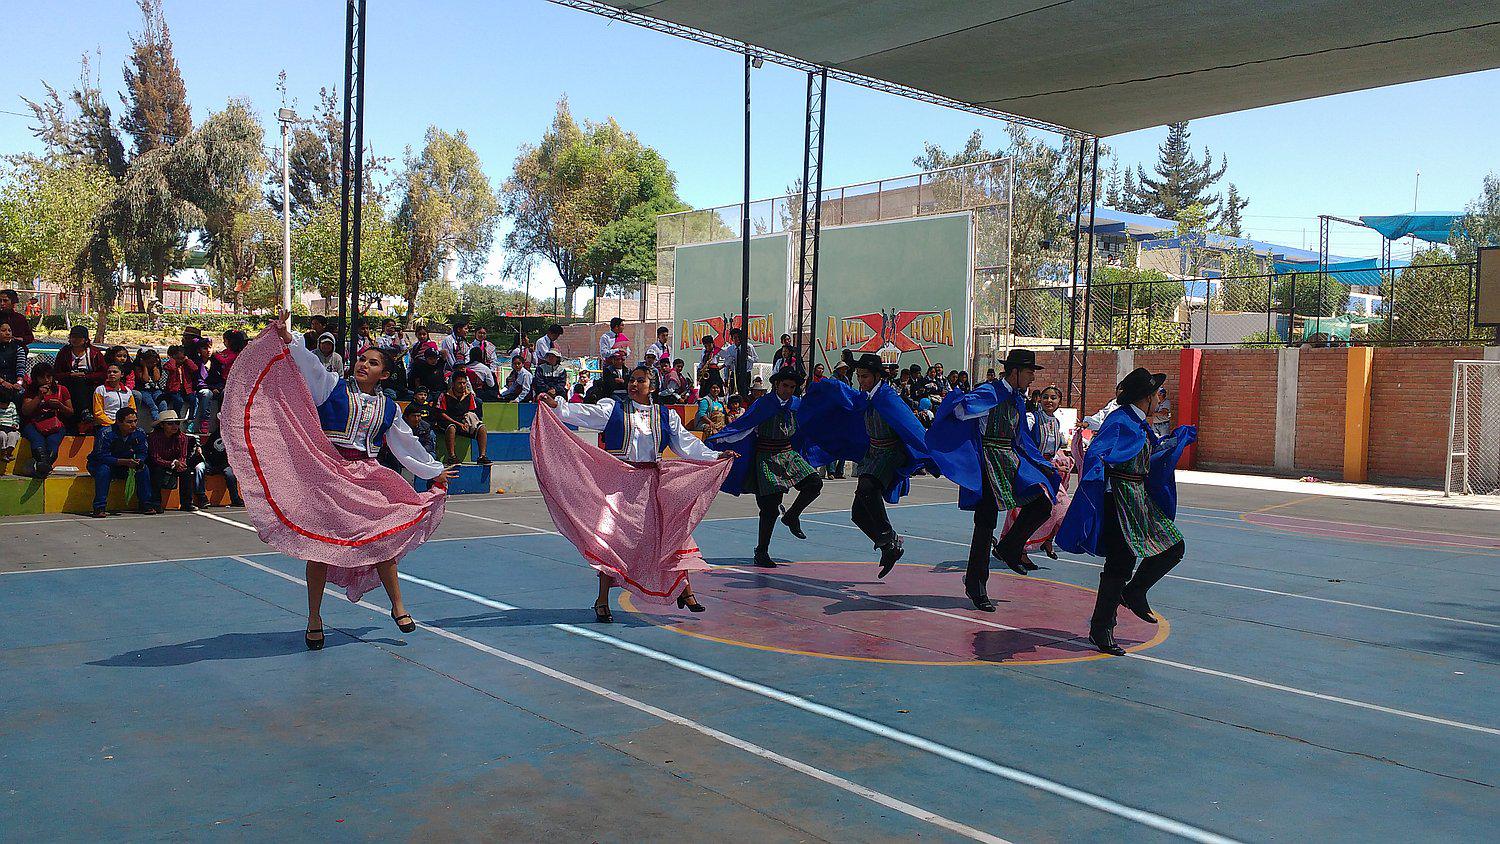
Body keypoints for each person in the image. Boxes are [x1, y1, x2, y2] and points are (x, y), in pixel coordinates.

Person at [222, 311, 457, 650]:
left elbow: (407, 444)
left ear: (385, 374)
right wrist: (289, 339)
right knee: (319, 549)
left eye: (373, 363)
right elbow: (310, 366)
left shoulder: (388, 407)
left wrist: (433, 470)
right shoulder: (332, 387)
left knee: (383, 540)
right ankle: (314, 617)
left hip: (367, 476)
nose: (364, 364)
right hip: (328, 477)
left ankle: (398, 605)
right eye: (362, 359)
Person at [534, 365, 734, 622]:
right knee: (612, 542)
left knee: (670, 536)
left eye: (641, 380)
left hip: (651, 485)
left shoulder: (665, 416)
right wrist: (556, 405)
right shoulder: (613, 409)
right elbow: (584, 413)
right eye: (632, 379)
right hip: (620, 484)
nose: (634, 384)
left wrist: (716, 456)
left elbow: (688, 445)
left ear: (653, 387)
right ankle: (602, 600)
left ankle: (685, 591)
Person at [1057, 368, 1196, 656]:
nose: (1160, 398)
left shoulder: (1138, 421)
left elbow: (1144, 456)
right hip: (1119, 500)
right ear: (1146, 397)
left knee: (1173, 547)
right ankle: (1102, 627)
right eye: (1157, 393)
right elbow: (1099, 453)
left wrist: (1173, 443)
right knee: (1120, 564)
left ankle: (1133, 593)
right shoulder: (1120, 421)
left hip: (1138, 498)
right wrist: (1098, 487)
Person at [925, 349, 1058, 612]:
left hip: (1010, 459)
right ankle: (976, 583)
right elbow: (960, 411)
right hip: (988, 459)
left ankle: (1009, 547)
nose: (1033, 377)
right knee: (985, 522)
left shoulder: (1018, 399)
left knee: (1042, 503)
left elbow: (1021, 437)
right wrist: (963, 406)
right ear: (1015, 372)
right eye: (1030, 372)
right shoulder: (990, 392)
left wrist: (1041, 464)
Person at [798, 350, 935, 576]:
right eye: (859, 376)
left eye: (865, 377)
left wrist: (932, 454)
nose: (861, 381)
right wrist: (825, 388)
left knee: (867, 488)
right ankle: (889, 546)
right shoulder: (867, 397)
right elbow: (847, 396)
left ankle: (887, 536)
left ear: (878, 376)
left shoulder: (888, 397)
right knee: (858, 513)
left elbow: (911, 425)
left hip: (890, 453)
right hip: (873, 454)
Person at [709, 368, 825, 567]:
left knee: (814, 483)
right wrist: (720, 441)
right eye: (785, 386)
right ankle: (761, 551)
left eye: (792, 387)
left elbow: (809, 423)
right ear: (776, 385)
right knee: (769, 507)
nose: (788, 390)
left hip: (788, 454)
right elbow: (743, 426)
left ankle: (791, 515)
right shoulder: (763, 404)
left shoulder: (797, 404)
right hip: (766, 457)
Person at [996, 384, 1073, 568]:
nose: (1049, 401)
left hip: (1048, 470)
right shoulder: (1032, 419)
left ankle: (1045, 539)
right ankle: (1019, 550)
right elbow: (1021, 438)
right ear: (1039, 399)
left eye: (1053, 398)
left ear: (1059, 402)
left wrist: (1060, 462)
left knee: (1062, 508)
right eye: (1045, 397)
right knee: (1028, 510)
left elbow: (1053, 450)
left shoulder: (1056, 422)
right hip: (1032, 470)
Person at [88, 406, 151, 518]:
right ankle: (99, 507)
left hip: (127, 465)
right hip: (103, 464)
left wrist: (139, 460)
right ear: (119, 422)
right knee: (104, 470)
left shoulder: (139, 433)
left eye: (135, 421)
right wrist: (123, 462)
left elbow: (143, 451)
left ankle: (145, 504)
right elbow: (101, 456)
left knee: (143, 468)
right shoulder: (105, 433)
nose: (133, 425)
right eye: (129, 422)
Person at [20, 362, 70, 478]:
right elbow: (26, 411)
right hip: (34, 424)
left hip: (55, 424)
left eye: (49, 376)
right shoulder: (31, 391)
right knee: (37, 441)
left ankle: (42, 468)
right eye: (42, 377)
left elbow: (70, 411)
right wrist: (38, 397)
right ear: (36, 378)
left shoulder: (61, 390)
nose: (46, 380)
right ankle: (44, 468)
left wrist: (60, 406)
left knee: (53, 442)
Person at [147, 409, 200, 512]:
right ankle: (156, 503)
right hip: (159, 463)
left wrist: (180, 463)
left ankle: (187, 503)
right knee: (156, 472)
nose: (175, 426)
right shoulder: (154, 437)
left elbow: (183, 455)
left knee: (186, 471)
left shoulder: (182, 437)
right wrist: (171, 463)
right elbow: (155, 458)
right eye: (170, 424)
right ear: (162, 425)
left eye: (176, 423)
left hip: (176, 463)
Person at [54, 325, 104, 432]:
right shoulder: (64, 353)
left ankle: (85, 414)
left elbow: (103, 373)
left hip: (89, 384)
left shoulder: (94, 353)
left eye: (78, 337)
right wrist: (70, 375)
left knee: (81, 383)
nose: (74, 340)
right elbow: (56, 373)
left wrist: (86, 376)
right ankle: (83, 413)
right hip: (69, 384)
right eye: (72, 337)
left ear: (85, 339)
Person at [437, 371, 492, 464]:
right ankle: (452, 457)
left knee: (482, 428)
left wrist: (466, 423)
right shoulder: (444, 395)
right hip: (448, 421)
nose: (462, 385)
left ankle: (482, 456)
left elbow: (471, 411)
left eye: (464, 383)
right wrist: (458, 423)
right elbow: (442, 414)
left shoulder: (469, 396)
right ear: (453, 384)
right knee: (451, 427)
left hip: (464, 421)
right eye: (459, 383)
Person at [195, 426, 244, 508]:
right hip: (211, 463)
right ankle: (201, 498)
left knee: (230, 474)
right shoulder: (215, 434)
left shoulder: (234, 436)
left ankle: (235, 498)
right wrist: (200, 450)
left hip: (225, 464)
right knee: (200, 468)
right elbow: (206, 449)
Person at [133, 348, 169, 429]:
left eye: (153, 362)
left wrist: (155, 366)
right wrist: (145, 366)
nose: (151, 364)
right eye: (149, 362)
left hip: (155, 390)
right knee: (153, 406)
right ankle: (158, 425)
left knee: (163, 404)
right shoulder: (138, 367)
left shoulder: (156, 367)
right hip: (143, 390)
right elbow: (145, 379)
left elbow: (156, 379)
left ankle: (166, 423)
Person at [92, 364, 136, 428]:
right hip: (107, 425)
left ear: (122, 374)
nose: (111, 374)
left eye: (115, 372)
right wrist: (113, 424)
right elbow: (98, 413)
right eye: (109, 372)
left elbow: (132, 410)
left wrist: (126, 423)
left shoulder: (127, 391)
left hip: (125, 425)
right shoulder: (100, 390)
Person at [716, 327, 758, 394]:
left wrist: (747, 357)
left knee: (744, 392)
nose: (737, 339)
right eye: (735, 337)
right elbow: (727, 364)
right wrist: (726, 378)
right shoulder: (729, 349)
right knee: (733, 393)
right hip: (734, 374)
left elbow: (755, 359)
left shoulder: (749, 347)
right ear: (732, 339)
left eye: (739, 337)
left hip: (745, 374)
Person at [0, 321, 26, 405]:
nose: (7, 333)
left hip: (13, 383)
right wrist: (2, 382)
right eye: (3, 330)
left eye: (9, 330)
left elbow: (21, 368)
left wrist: (19, 383)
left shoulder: (19, 349)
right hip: (1, 382)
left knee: (20, 393)